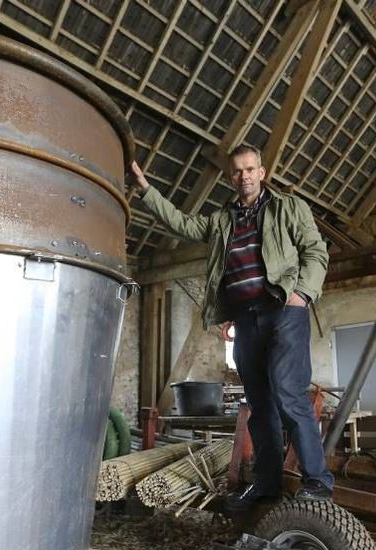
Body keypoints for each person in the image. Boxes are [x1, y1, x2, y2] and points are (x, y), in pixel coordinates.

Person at [129, 144, 334, 505]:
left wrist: (302, 293)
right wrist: (146, 189)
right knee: (260, 404)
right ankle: (267, 484)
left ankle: (317, 483)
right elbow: (182, 223)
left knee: (288, 392)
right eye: (238, 171)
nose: (245, 177)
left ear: (262, 172)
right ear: (231, 177)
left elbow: (315, 251)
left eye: (251, 169)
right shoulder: (222, 219)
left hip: (283, 310)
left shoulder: (288, 206)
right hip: (245, 319)